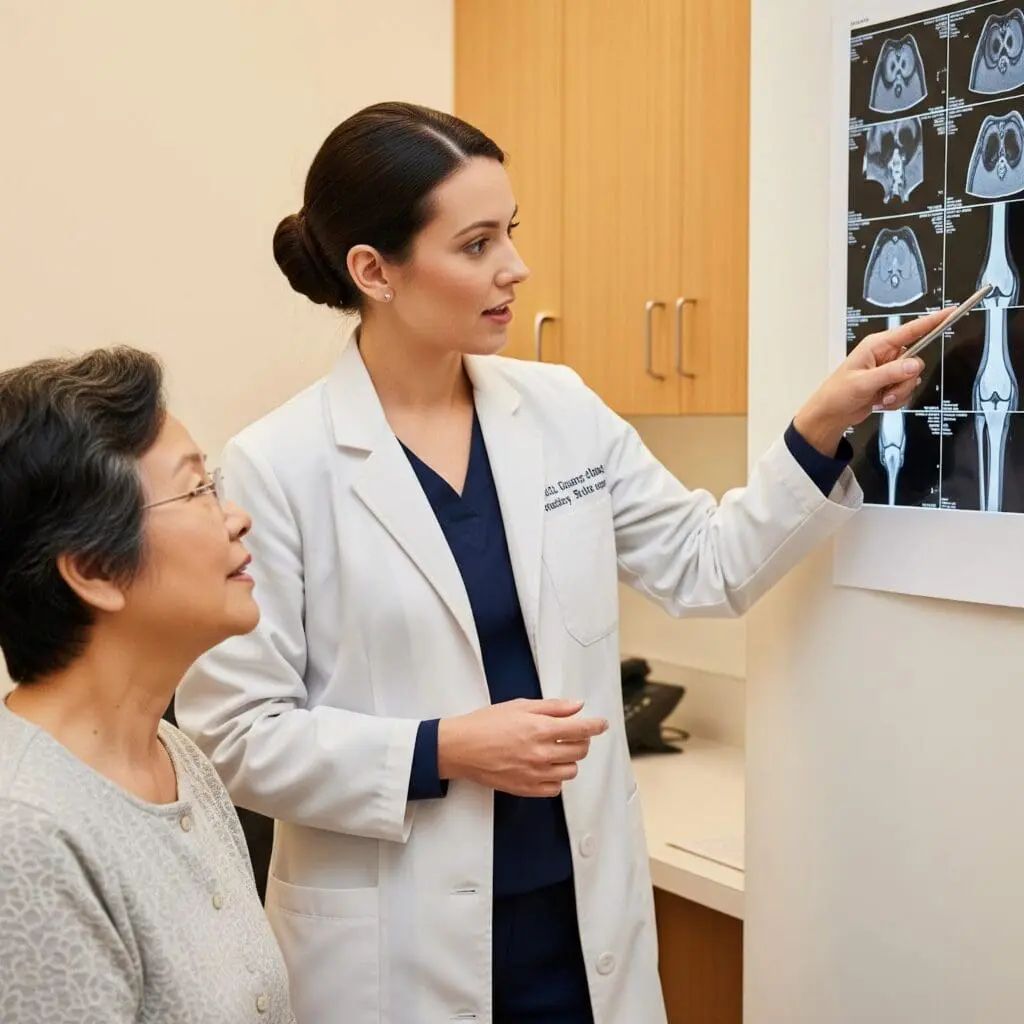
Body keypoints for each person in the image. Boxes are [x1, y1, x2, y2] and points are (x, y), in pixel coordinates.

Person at [174, 101, 945, 1024]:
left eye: (512, 231)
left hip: (581, 932)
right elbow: (235, 734)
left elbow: (707, 565)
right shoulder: (280, 461)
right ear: (374, 271)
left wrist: (821, 422)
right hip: (392, 952)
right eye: (476, 244)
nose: (515, 267)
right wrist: (442, 748)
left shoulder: (560, 410)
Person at [0, 348, 294, 1023]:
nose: (236, 516)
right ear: (95, 568)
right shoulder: (27, 834)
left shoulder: (175, 754)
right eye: (196, 490)